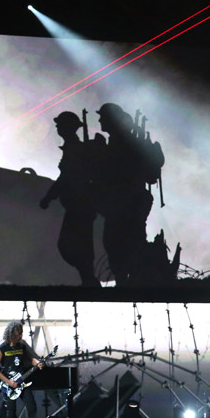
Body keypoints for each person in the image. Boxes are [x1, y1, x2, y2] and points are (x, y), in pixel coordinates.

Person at [91, 103, 163, 286]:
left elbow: (128, 173)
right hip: (119, 203)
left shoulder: (126, 144)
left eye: (103, 118)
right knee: (116, 244)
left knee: (125, 244)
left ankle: (130, 283)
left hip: (127, 203)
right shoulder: (118, 143)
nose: (100, 121)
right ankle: (126, 282)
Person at [40, 111, 99, 286]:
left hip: (79, 206)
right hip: (78, 206)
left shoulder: (74, 149)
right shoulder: (74, 148)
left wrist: (49, 197)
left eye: (60, 125)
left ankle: (89, 280)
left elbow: (66, 177)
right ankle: (88, 280)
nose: (57, 128)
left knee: (72, 246)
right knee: (77, 246)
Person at [0, 322, 44, 418]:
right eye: (19, 334)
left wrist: (38, 363)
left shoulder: (21, 346)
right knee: (11, 412)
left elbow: (31, 359)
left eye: (21, 333)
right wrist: (9, 382)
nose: (21, 336)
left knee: (32, 407)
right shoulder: (1, 349)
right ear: (11, 334)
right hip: (9, 384)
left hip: (22, 382)